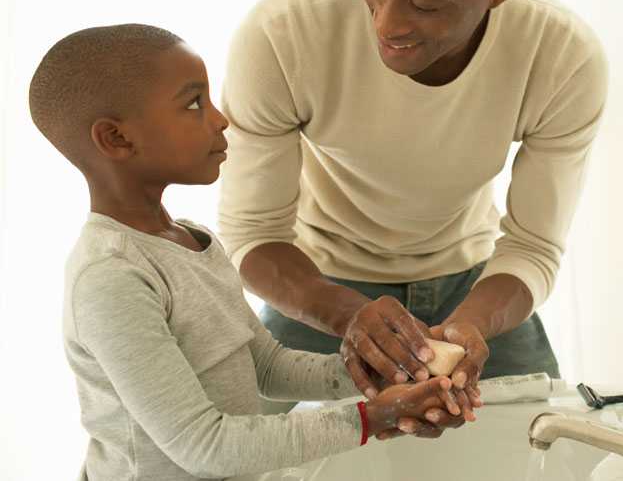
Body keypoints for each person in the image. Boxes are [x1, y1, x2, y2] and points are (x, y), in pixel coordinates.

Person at [219, 0, 608, 429]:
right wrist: (350, 315)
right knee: (245, 460)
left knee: (540, 451)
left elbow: (533, 247)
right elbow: (253, 234)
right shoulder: (284, 32)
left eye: (424, 3)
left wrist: (467, 328)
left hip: (477, 287)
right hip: (317, 283)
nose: (386, 24)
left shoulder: (563, 57)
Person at [28, 24, 470, 481]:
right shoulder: (112, 278)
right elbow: (205, 446)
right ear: (117, 139)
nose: (220, 120)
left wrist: (386, 372)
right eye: (194, 103)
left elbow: (264, 366)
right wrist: (372, 418)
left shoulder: (193, 241)